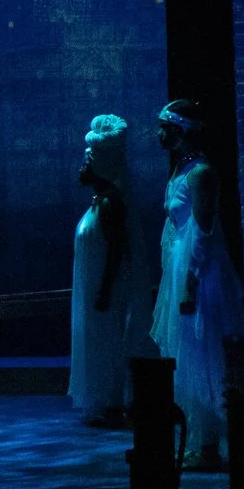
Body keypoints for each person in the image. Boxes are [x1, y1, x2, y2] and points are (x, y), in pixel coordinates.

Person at [149, 100, 244, 470]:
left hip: (201, 273)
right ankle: (202, 440)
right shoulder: (182, 170)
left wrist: (188, 283)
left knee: (202, 353)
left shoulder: (201, 173)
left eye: (165, 127)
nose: (159, 134)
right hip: (180, 266)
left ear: (181, 130)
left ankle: (209, 445)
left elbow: (203, 232)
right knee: (187, 354)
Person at [68, 113, 142, 425]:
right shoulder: (98, 202)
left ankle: (113, 401)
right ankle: (104, 401)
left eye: (87, 162)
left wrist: (105, 290)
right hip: (94, 288)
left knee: (107, 342)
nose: (82, 168)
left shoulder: (110, 204)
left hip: (104, 290)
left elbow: (116, 251)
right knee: (97, 341)